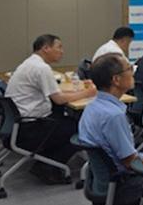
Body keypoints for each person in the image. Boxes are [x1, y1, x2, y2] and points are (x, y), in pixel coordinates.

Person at [78, 54, 143, 205]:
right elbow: (129, 161)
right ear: (116, 80)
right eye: (129, 68)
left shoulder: (92, 107)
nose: (133, 72)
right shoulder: (113, 116)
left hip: (102, 185)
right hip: (123, 188)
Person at [5, 34, 96, 182]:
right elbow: (59, 99)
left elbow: (55, 93)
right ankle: (48, 167)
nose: (62, 51)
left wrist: (77, 91)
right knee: (81, 127)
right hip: (31, 128)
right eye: (59, 47)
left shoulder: (29, 64)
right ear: (46, 48)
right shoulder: (41, 68)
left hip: (19, 125)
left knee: (67, 121)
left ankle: (46, 161)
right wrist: (88, 92)